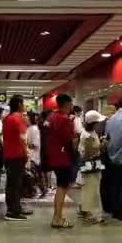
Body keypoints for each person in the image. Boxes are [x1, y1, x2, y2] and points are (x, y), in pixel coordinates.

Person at [46, 94, 77, 228]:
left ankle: (57, 216)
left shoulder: (52, 117)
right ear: (67, 104)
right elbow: (70, 140)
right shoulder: (65, 120)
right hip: (63, 156)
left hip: (54, 156)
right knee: (62, 187)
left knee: (61, 186)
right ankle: (57, 218)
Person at [2, 95, 30, 221]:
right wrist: (27, 154)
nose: (24, 106)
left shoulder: (7, 118)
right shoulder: (18, 118)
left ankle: (14, 207)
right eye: (23, 103)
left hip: (8, 155)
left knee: (11, 183)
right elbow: (22, 139)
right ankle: (13, 211)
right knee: (16, 184)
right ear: (19, 104)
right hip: (17, 155)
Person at [78, 110, 107, 224]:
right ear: (93, 123)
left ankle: (87, 212)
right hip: (91, 165)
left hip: (90, 165)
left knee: (89, 189)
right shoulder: (88, 135)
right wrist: (102, 145)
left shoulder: (90, 132)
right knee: (92, 190)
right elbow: (89, 153)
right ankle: (93, 215)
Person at [27, 112, 46, 198]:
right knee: (34, 174)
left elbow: (35, 144)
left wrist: (26, 144)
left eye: (26, 117)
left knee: (35, 174)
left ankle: (41, 189)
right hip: (31, 154)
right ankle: (33, 191)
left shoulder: (34, 129)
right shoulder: (30, 128)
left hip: (34, 155)